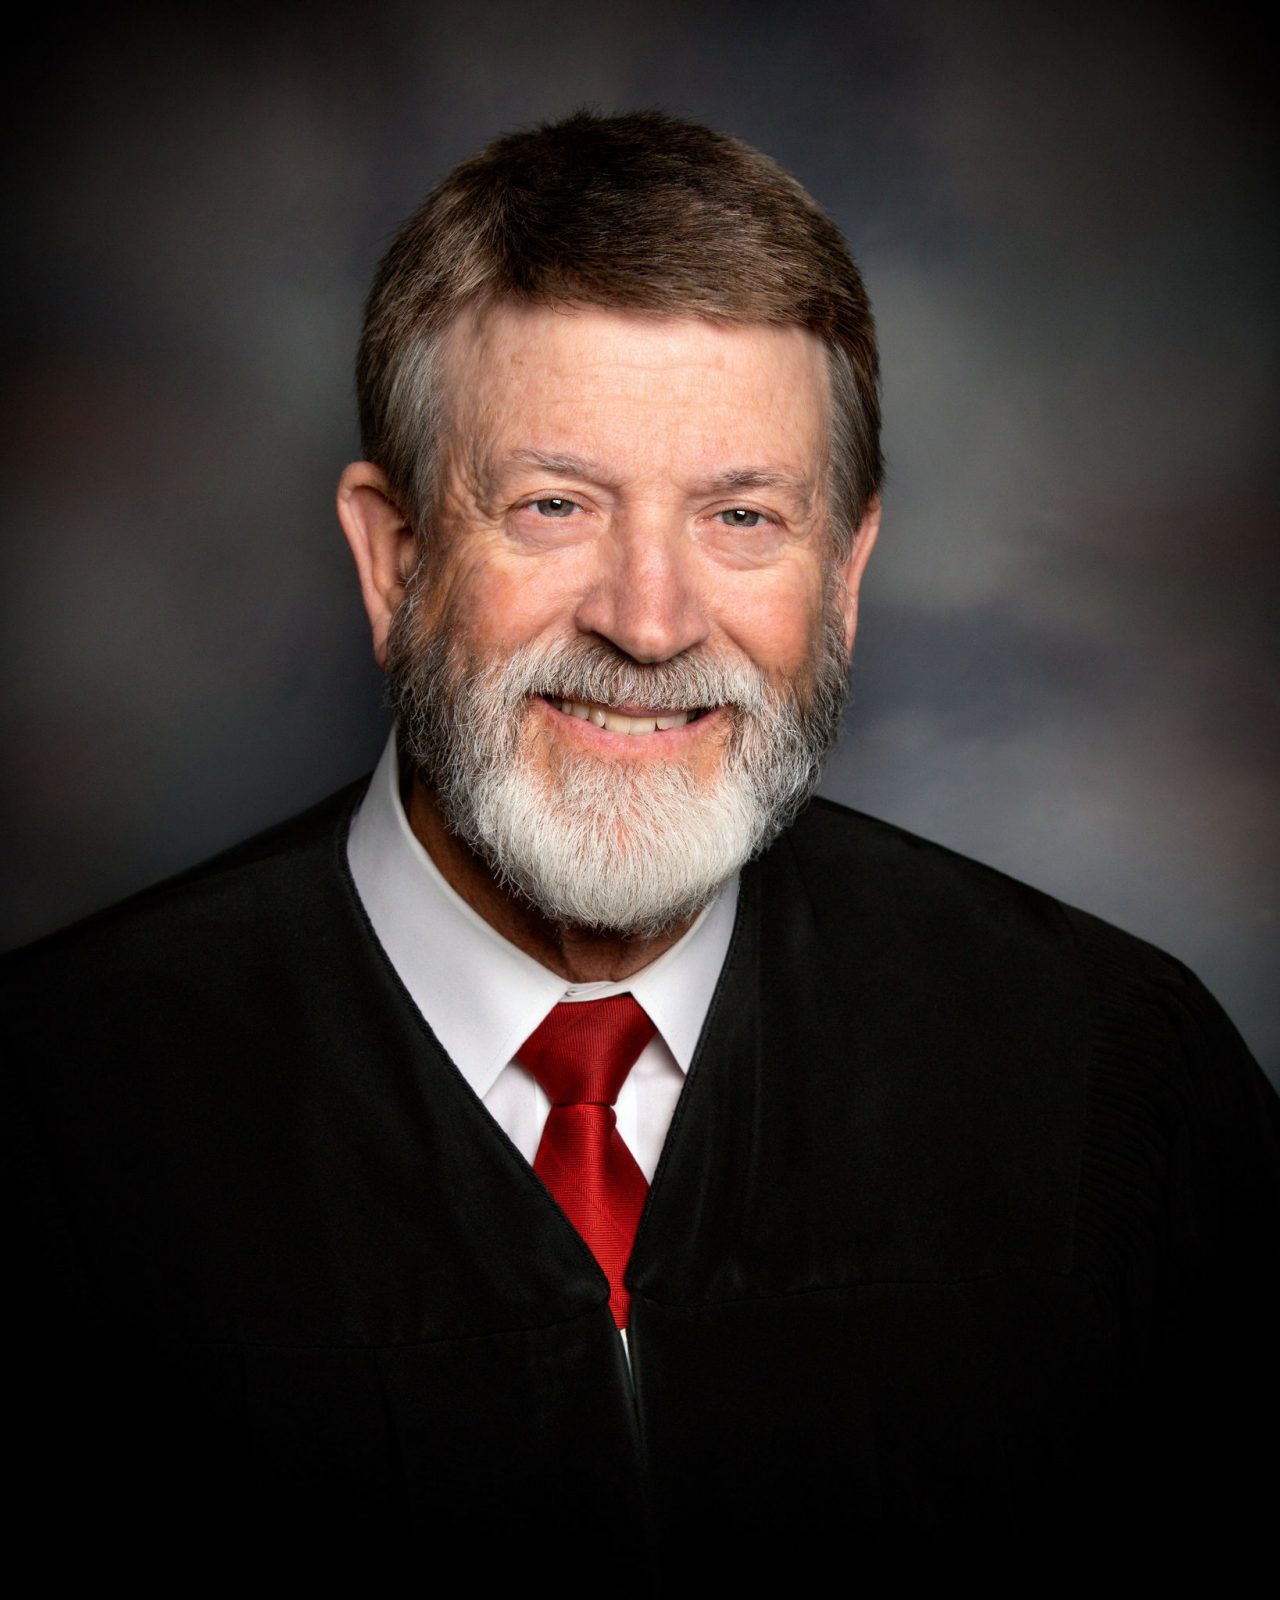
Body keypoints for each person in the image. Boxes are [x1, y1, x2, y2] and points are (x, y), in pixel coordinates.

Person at [7, 111, 1277, 1581]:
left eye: (743, 516)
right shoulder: (62, 1119)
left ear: (845, 574)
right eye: (555, 506)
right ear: (394, 559)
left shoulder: (1103, 1077)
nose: (651, 621)